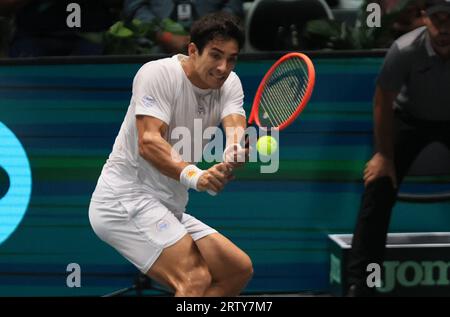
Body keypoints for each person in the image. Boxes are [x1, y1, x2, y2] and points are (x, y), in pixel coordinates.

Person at [89, 12, 253, 297]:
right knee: (194, 278)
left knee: (236, 269)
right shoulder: (158, 74)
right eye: (215, 55)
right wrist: (196, 176)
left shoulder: (230, 83)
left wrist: (235, 150)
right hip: (123, 200)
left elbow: (235, 128)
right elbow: (149, 142)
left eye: (232, 58)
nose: (223, 67)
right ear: (192, 50)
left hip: (168, 205)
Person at [347, 0, 450, 296]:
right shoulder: (404, 50)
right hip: (410, 119)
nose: (443, 28)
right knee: (379, 184)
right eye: (436, 19)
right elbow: (383, 101)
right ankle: (362, 282)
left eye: (449, 20)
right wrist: (384, 155)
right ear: (424, 20)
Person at [123, 0, 244, 54]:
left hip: (214, 40)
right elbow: (135, 8)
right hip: (154, 44)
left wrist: (210, 32)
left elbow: (233, 7)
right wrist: (163, 36)